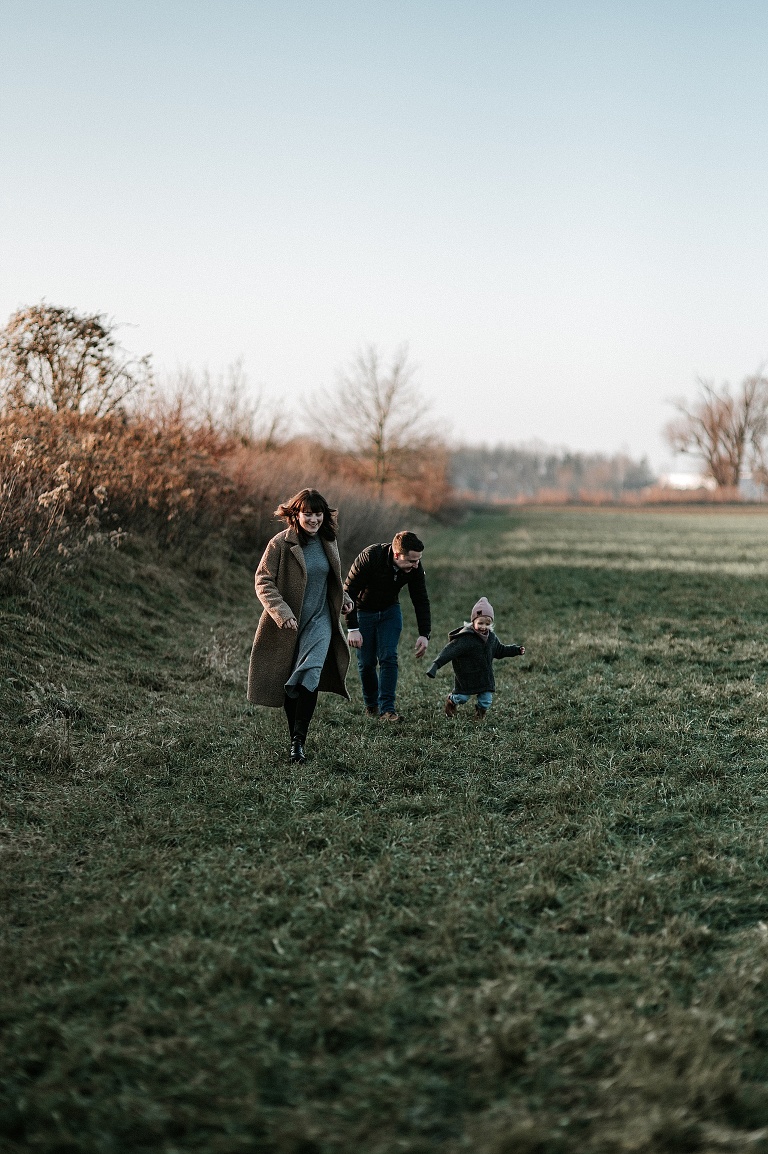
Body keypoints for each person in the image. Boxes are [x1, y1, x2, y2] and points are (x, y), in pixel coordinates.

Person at [247, 489, 352, 764]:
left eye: (318, 514)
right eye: (308, 514)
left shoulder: (329, 541)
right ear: (296, 514)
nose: (314, 519)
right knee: (291, 679)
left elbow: (332, 579)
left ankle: (298, 742)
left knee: (310, 673)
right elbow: (262, 581)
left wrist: (345, 598)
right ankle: (294, 734)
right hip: (289, 625)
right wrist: (281, 612)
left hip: (320, 620)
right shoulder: (280, 544)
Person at [344, 530, 431, 722]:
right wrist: (353, 628)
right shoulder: (370, 557)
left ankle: (387, 710)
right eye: (412, 561)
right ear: (397, 555)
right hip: (363, 612)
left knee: (388, 657)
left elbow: (420, 599)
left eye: (418, 560)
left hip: (390, 612)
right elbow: (348, 592)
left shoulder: (415, 566)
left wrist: (424, 633)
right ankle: (371, 705)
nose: (416, 565)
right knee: (366, 663)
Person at [425, 596, 525, 720]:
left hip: (484, 677)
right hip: (467, 677)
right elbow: (448, 652)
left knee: (486, 700)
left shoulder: (491, 638)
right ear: (473, 621)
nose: (484, 627)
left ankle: (479, 715)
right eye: (480, 623)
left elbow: (500, 650)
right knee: (461, 698)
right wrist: (436, 665)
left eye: (487, 624)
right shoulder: (465, 639)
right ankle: (451, 701)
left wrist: (516, 650)